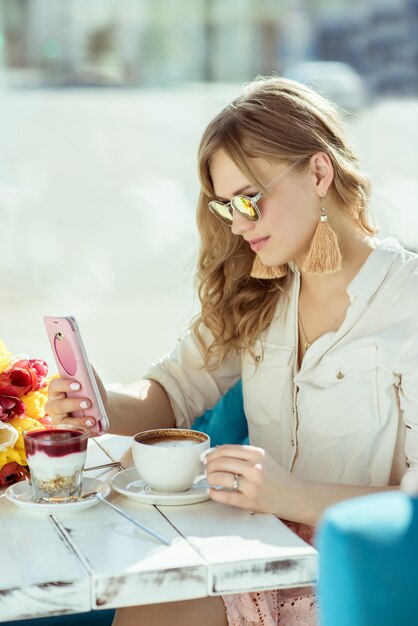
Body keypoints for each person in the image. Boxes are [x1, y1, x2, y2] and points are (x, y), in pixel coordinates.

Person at [46, 76, 418, 626]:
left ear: (319, 172)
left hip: (358, 578)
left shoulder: (407, 304)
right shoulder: (258, 292)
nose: (240, 224)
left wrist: (290, 495)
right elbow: (173, 390)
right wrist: (97, 398)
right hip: (251, 553)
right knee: (144, 607)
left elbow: (409, 513)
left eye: (250, 198)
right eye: (225, 208)